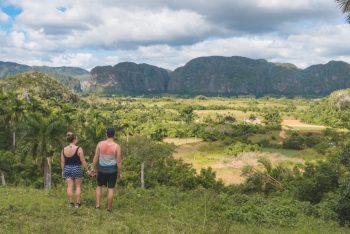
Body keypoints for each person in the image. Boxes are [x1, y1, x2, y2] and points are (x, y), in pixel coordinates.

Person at [92, 128, 122, 212]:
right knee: (111, 189)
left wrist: (93, 168)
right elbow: (119, 161)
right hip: (112, 170)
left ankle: (97, 206)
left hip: (101, 170)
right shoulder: (116, 146)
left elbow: (95, 158)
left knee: (99, 186)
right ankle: (109, 208)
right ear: (114, 135)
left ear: (106, 134)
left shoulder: (100, 144)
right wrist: (120, 173)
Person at [61, 132, 89, 208]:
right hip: (77, 168)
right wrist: (87, 170)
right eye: (76, 138)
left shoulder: (63, 149)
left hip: (67, 168)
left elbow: (62, 162)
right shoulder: (78, 149)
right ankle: (78, 203)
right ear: (74, 139)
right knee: (78, 186)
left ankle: (70, 203)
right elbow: (83, 161)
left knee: (69, 186)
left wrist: (63, 171)